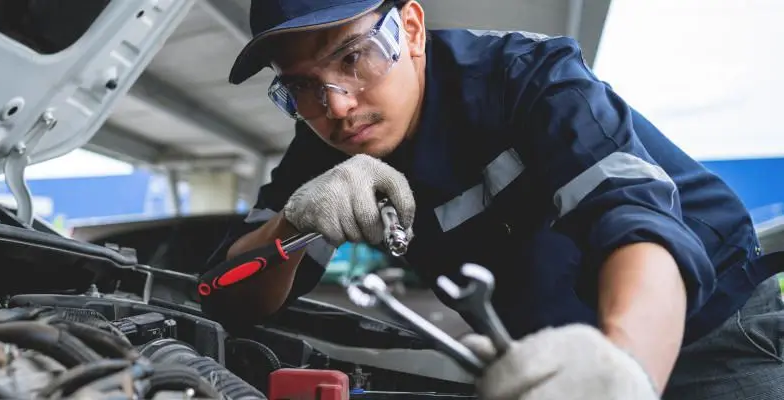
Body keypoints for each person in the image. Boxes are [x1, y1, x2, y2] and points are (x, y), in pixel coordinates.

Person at [199, 0, 784, 398]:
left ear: (410, 28)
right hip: (547, 366)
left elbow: (636, 220)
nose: (338, 105)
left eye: (353, 58)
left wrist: (620, 370)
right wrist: (291, 227)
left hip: (713, 335)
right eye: (300, 84)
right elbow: (225, 296)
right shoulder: (323, 147)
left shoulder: (528, 78)